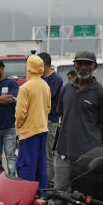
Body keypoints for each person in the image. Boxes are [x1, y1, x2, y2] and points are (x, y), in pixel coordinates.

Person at [53, 50, 103, 190]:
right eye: (80, 63)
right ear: (74, 66)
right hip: (64, 152)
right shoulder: (66, 89)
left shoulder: (102, 94)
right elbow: (63, 116)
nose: (83, 67)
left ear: (95, 67)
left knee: (84, 194)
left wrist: (92, 141)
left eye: (88, 64)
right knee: (59, 193)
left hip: (88, 155)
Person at [14, 54, 50, 188]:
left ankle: (25, 196)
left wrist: (18, 127)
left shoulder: (25, 88)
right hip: (42, 129)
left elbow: (20, 113)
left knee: (26, 166)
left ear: (29, 67)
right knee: (41, 166)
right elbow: (48, 107)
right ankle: (42, 196)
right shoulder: (45, 85)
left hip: (29, 132)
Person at [39, 52, 63, 185]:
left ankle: (49, 182)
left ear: (43, 64)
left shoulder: (56, 79)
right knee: (40, 151)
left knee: (47, 152)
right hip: (39, 119)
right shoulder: (39, 78)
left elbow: (48, 95)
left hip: (50, 119)